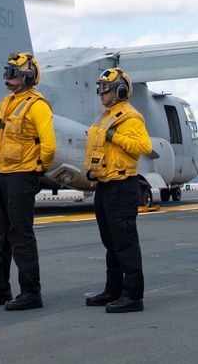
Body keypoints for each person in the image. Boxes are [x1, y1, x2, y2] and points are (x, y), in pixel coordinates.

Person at [0, 52, 56, 311]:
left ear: (27, 76)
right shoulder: (7, 103)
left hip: (20, 177)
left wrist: (37, 169)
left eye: (12, 73)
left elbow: (49, 145)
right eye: (7, 72)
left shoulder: (37, 105)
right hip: (0, 175)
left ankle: (31, 293)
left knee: (21, 235)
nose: (8, 77)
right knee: (0, 235)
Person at [83, 68, 153, 313]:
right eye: (99, 88)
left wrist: (115, 137)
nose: (100, 93)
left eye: (105, 89)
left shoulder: (131, 117)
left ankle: (133, 296)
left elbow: (144, 145)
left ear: (120, 90)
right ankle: (112, 290)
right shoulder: (106, 115)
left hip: (122, 185)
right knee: (111, 243)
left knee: (125, 243)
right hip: (104, 184)